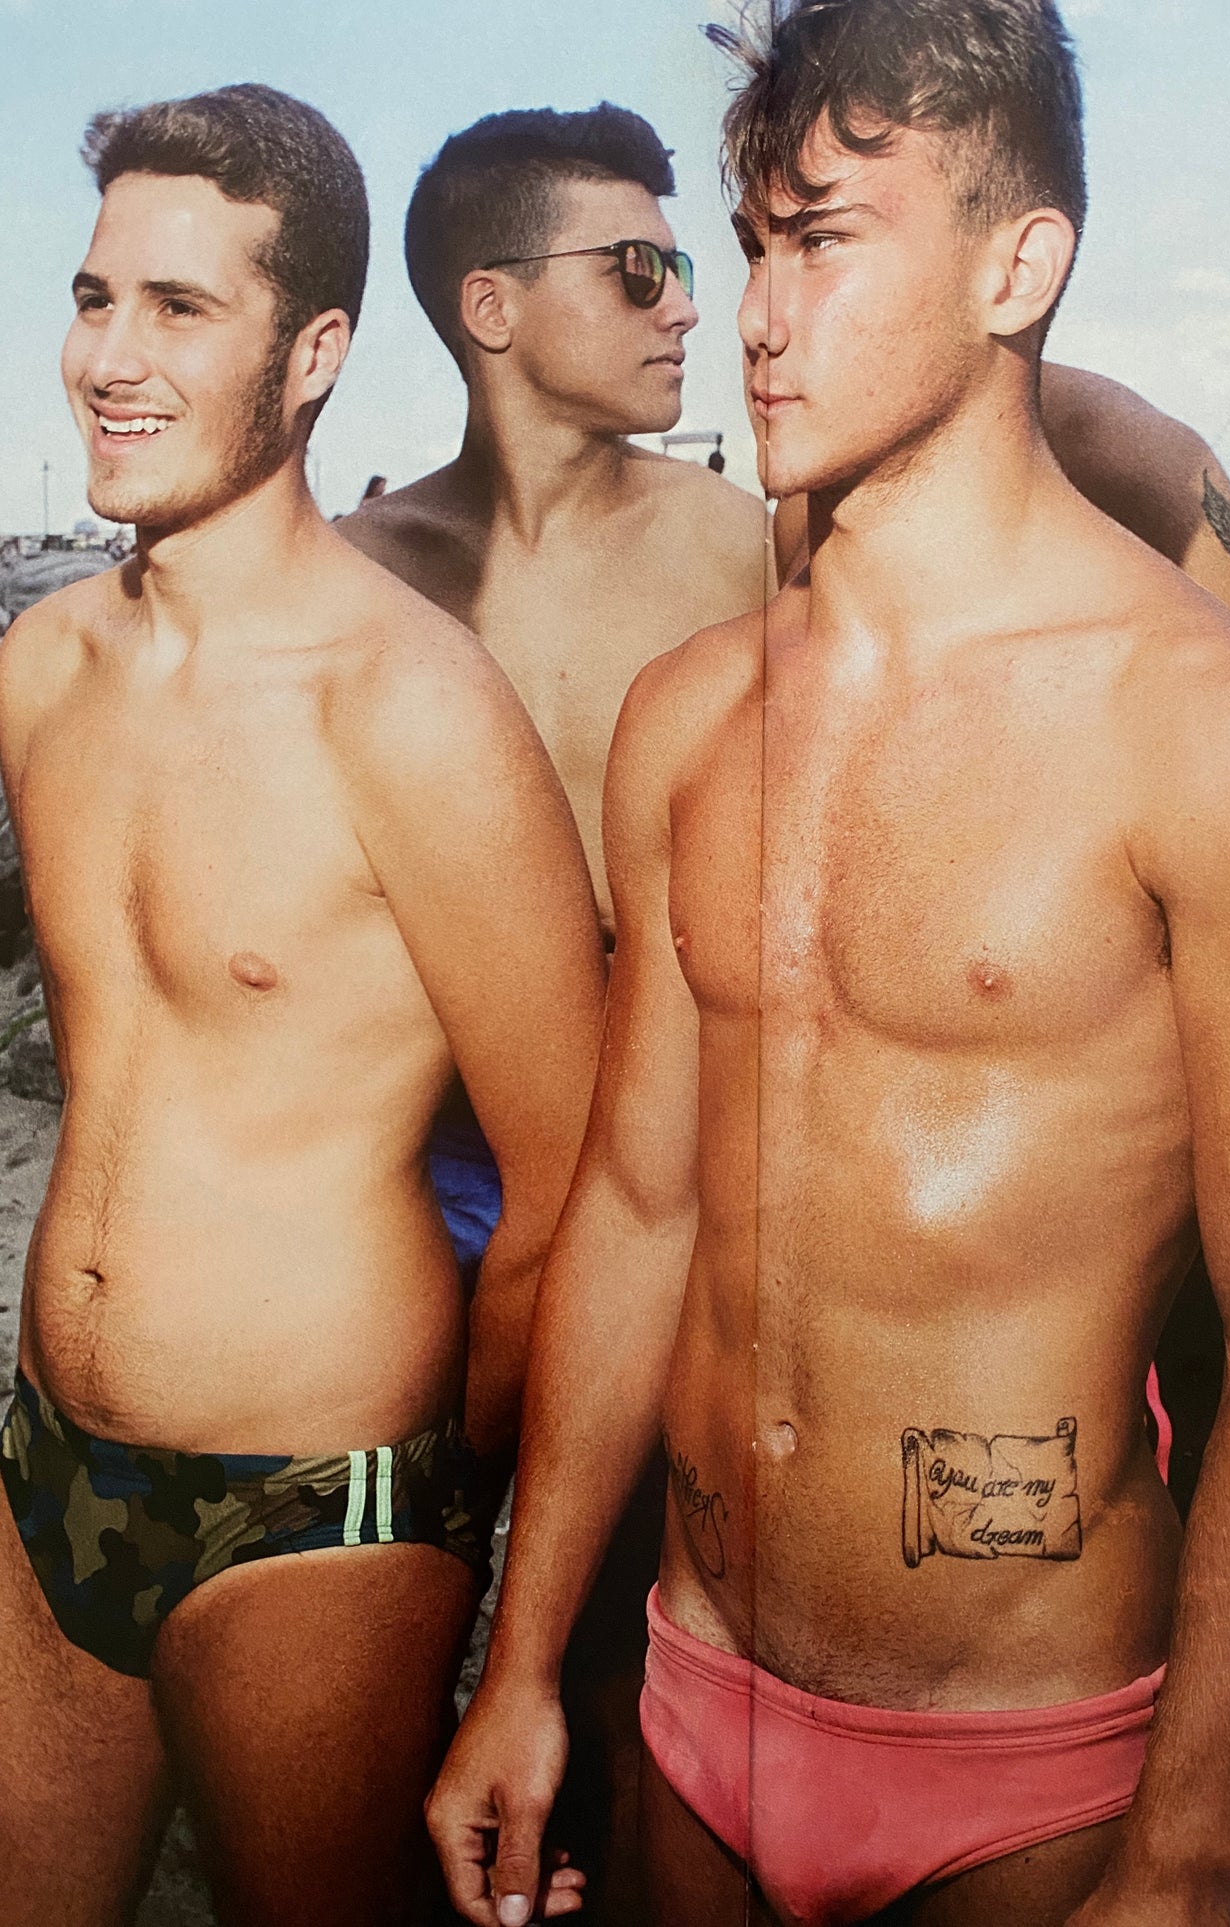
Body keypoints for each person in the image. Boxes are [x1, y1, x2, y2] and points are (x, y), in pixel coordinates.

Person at [425, 4, 1230, 1925]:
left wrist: (1185, 1856)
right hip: (693, 1701)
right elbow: (636, 1205)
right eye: (749, 246)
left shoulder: (1214, 736)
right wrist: (524, 1665)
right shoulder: (691, 716)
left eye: (827, 241)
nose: (757, 318)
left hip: (1027, 1763)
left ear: (1017, 268)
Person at [0, 83, 602, 1927]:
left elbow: (572, 1178)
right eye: (96, 297)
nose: (110, 356)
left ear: (315, 354)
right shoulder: (43, 666)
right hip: (47, 1458)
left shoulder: (410, 710)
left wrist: (448, 1495)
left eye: (181, 309)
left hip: (314, 1502)